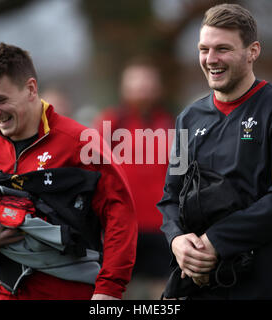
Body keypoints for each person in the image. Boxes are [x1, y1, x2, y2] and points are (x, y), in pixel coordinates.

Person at [157, 3, 272, 300]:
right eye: (203, 49)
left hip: (268, 281)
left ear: (253, 51)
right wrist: (177, 240)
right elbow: (171, 196)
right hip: (202, 282)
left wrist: (217, 241)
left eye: (223, 49)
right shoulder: (188, 118)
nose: (211, 59)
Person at [0, 42, 137, 300]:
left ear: (31, 89)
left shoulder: (81, 142)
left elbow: (120, 214)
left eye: (0, 100)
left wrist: (110, 288)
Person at [94, 59, 173, 299]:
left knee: (165, 290)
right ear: (124, 87)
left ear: (158, 87)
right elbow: (91, 170)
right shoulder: (110, 123)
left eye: (148, 82)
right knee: (114, 289)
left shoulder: (170, 123)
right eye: (136, 82)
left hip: (161, 226)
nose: (143, 88)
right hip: (120, 226)